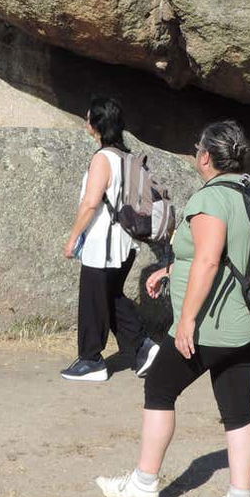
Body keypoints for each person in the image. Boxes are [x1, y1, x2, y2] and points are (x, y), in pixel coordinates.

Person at [95, 119, 250, 497]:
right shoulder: (247, 193)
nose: (196, 154)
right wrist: (171, 270)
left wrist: (187, 320)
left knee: (159, 387)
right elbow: (229, 255)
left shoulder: (210, 199)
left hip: (211, 325)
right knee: (238, 411)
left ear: (205, 156)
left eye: (197, 148)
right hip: (248, 324)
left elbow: (209, 261)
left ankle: (143, 484)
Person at [60, 96, 160, 382]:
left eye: (88, 118)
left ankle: (91, 360)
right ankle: (143, 348)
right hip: (126, 244)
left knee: (93, 301)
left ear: (97, 125)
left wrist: (73, 238)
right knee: (111, 298)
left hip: (103, 244)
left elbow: (91, 203)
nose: (85, 122)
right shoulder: (127, 158)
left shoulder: (103, 158)